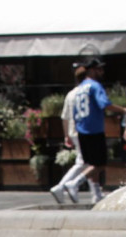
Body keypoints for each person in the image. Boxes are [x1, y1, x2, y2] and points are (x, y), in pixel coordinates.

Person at [61, 56, 126, 204]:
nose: (102, 72)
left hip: (82, 130)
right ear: (92, 70)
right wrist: (124, 110)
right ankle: (75, 183)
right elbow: (104, 104)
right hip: (94, 129)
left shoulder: (79, 89)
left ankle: (96, 194)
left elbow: (73, 112)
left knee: (91, 163)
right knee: (99, 164)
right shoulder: (95, 86)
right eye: (99, 69)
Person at [50, 65, 90, 203]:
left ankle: (69, 187)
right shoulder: (85, 92)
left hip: (74, 131)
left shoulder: (70, 94)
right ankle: (63, 186)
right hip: (84, 130)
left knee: (85, 161)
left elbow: (64, 117)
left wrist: (66, 134)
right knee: (85, 162)